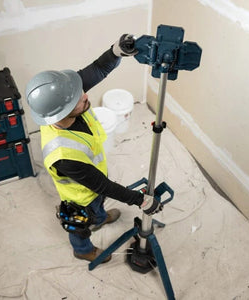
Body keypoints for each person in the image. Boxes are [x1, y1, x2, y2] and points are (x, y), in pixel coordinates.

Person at [25, 34, 163, 263]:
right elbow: (102, 185)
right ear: (61, 112)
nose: (86, 96)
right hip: (80, 196)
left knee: (98, 204)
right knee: (81, 223)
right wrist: (141, 201)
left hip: (95, 182)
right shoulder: (63, 155)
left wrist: (116, 52)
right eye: (79, 100)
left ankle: (100, 217)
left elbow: (97, 69)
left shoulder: (68, 96)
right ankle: (82, 250)